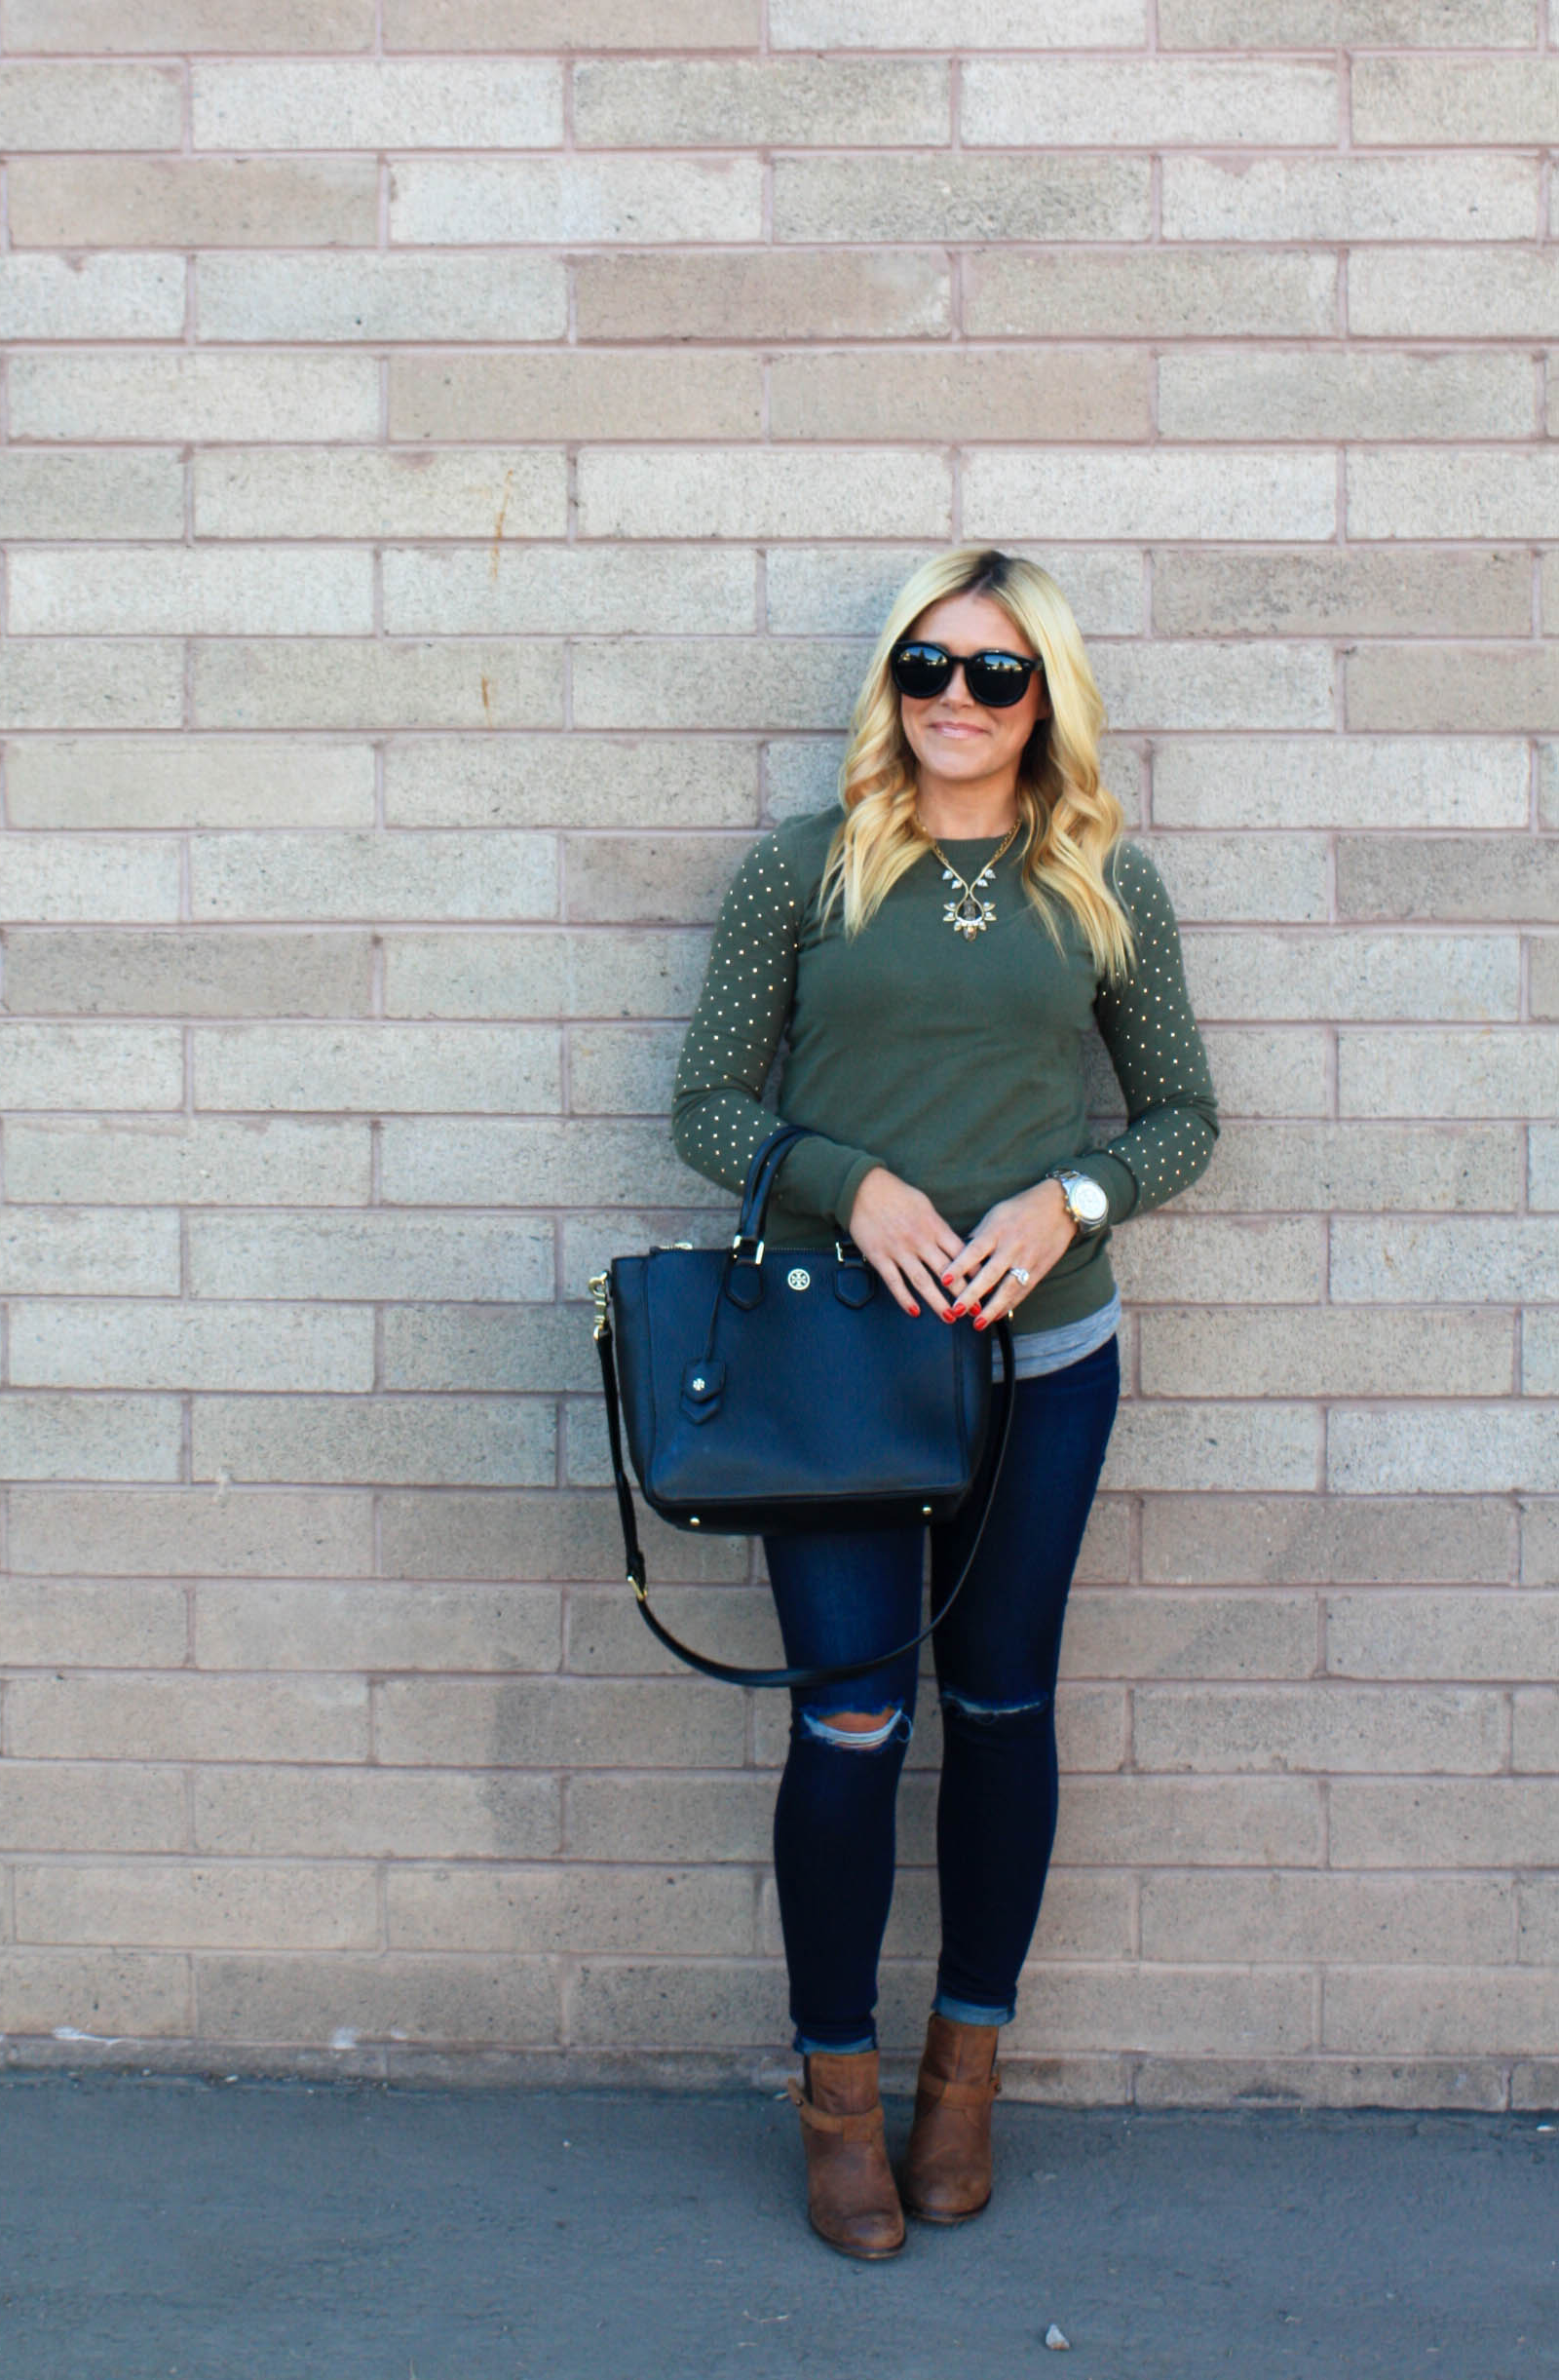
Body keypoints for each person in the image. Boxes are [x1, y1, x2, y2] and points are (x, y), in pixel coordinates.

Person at [668, 546, 1219, 2259]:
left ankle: (961, 2078)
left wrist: (1073, 1200)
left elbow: (1185, 1117)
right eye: (927, 665)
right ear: (890, 685)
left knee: (998, 1708)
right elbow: (705, 1105)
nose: (954, 699)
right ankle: (837, 2097)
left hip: (1044, 1363)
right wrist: (853, 1185)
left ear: (1044, 697)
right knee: (850, 1721)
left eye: (994, 672)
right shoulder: (806, 867)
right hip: (839, 1373)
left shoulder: (1103, 881)